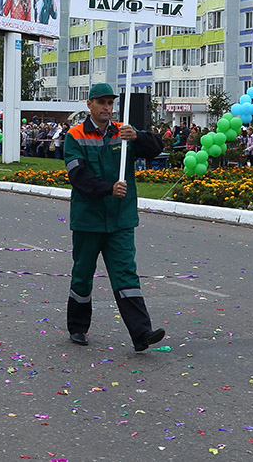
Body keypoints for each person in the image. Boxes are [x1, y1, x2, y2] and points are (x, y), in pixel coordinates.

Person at [63, 83, 166, 351]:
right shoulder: (75, 136)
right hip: (88, 220)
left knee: (126, 275)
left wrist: (138, 138)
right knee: (83, 275)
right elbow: (78, 177)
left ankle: (141, 333)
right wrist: (108, 189)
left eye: (110, 103)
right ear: (90, 105)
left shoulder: (124, 132)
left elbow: (157, 148)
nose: (107, 108)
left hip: (120, 220)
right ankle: (77, 327)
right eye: (102, 103)